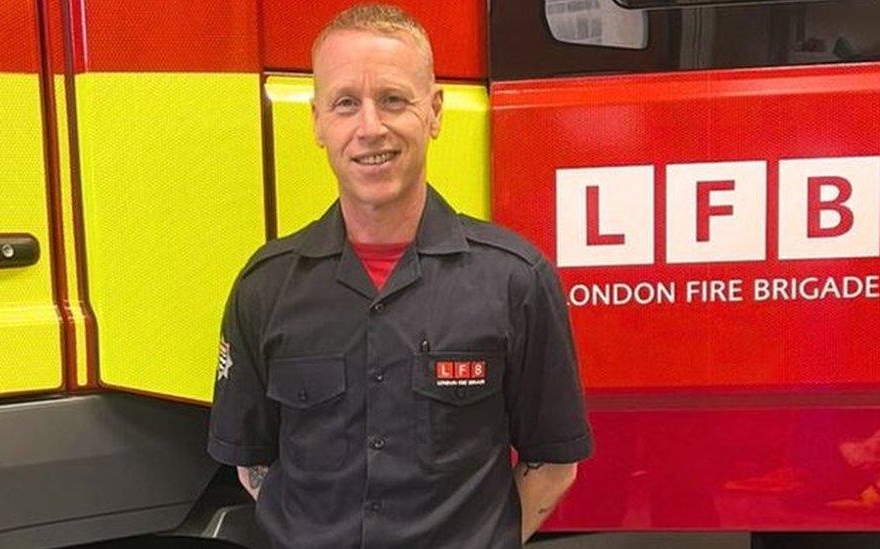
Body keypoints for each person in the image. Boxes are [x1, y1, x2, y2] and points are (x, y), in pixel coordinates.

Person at [207, 5, 592, 547]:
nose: (370, 127)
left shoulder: (515, 280)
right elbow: (254, 465)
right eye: (345, 104)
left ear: (433, 111)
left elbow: (554, 462)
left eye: (393, 99)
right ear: (318, 120)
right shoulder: (264, 288)